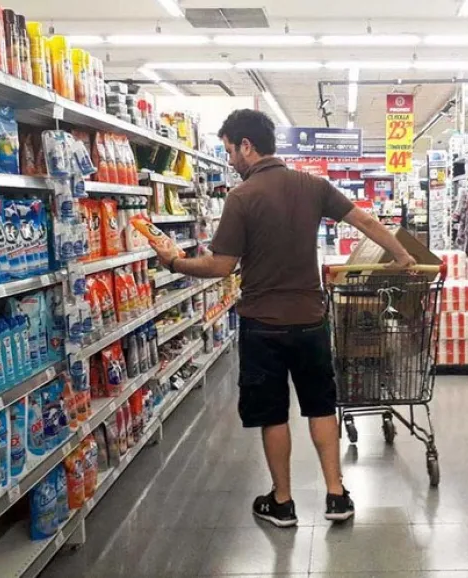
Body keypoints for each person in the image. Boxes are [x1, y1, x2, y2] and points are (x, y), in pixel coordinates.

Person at [151, 109, 417, 527]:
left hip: (263, 327)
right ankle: (336, 496)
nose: (230, 161)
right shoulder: (312, 185)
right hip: (310, 320)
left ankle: (283, 502)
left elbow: (221, 266)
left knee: (273, 414)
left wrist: (173, 262)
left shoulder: (242, 197)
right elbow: (365, 220)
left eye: (230, 151)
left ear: (246, 146)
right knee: (321, 406)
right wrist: (402, 256)